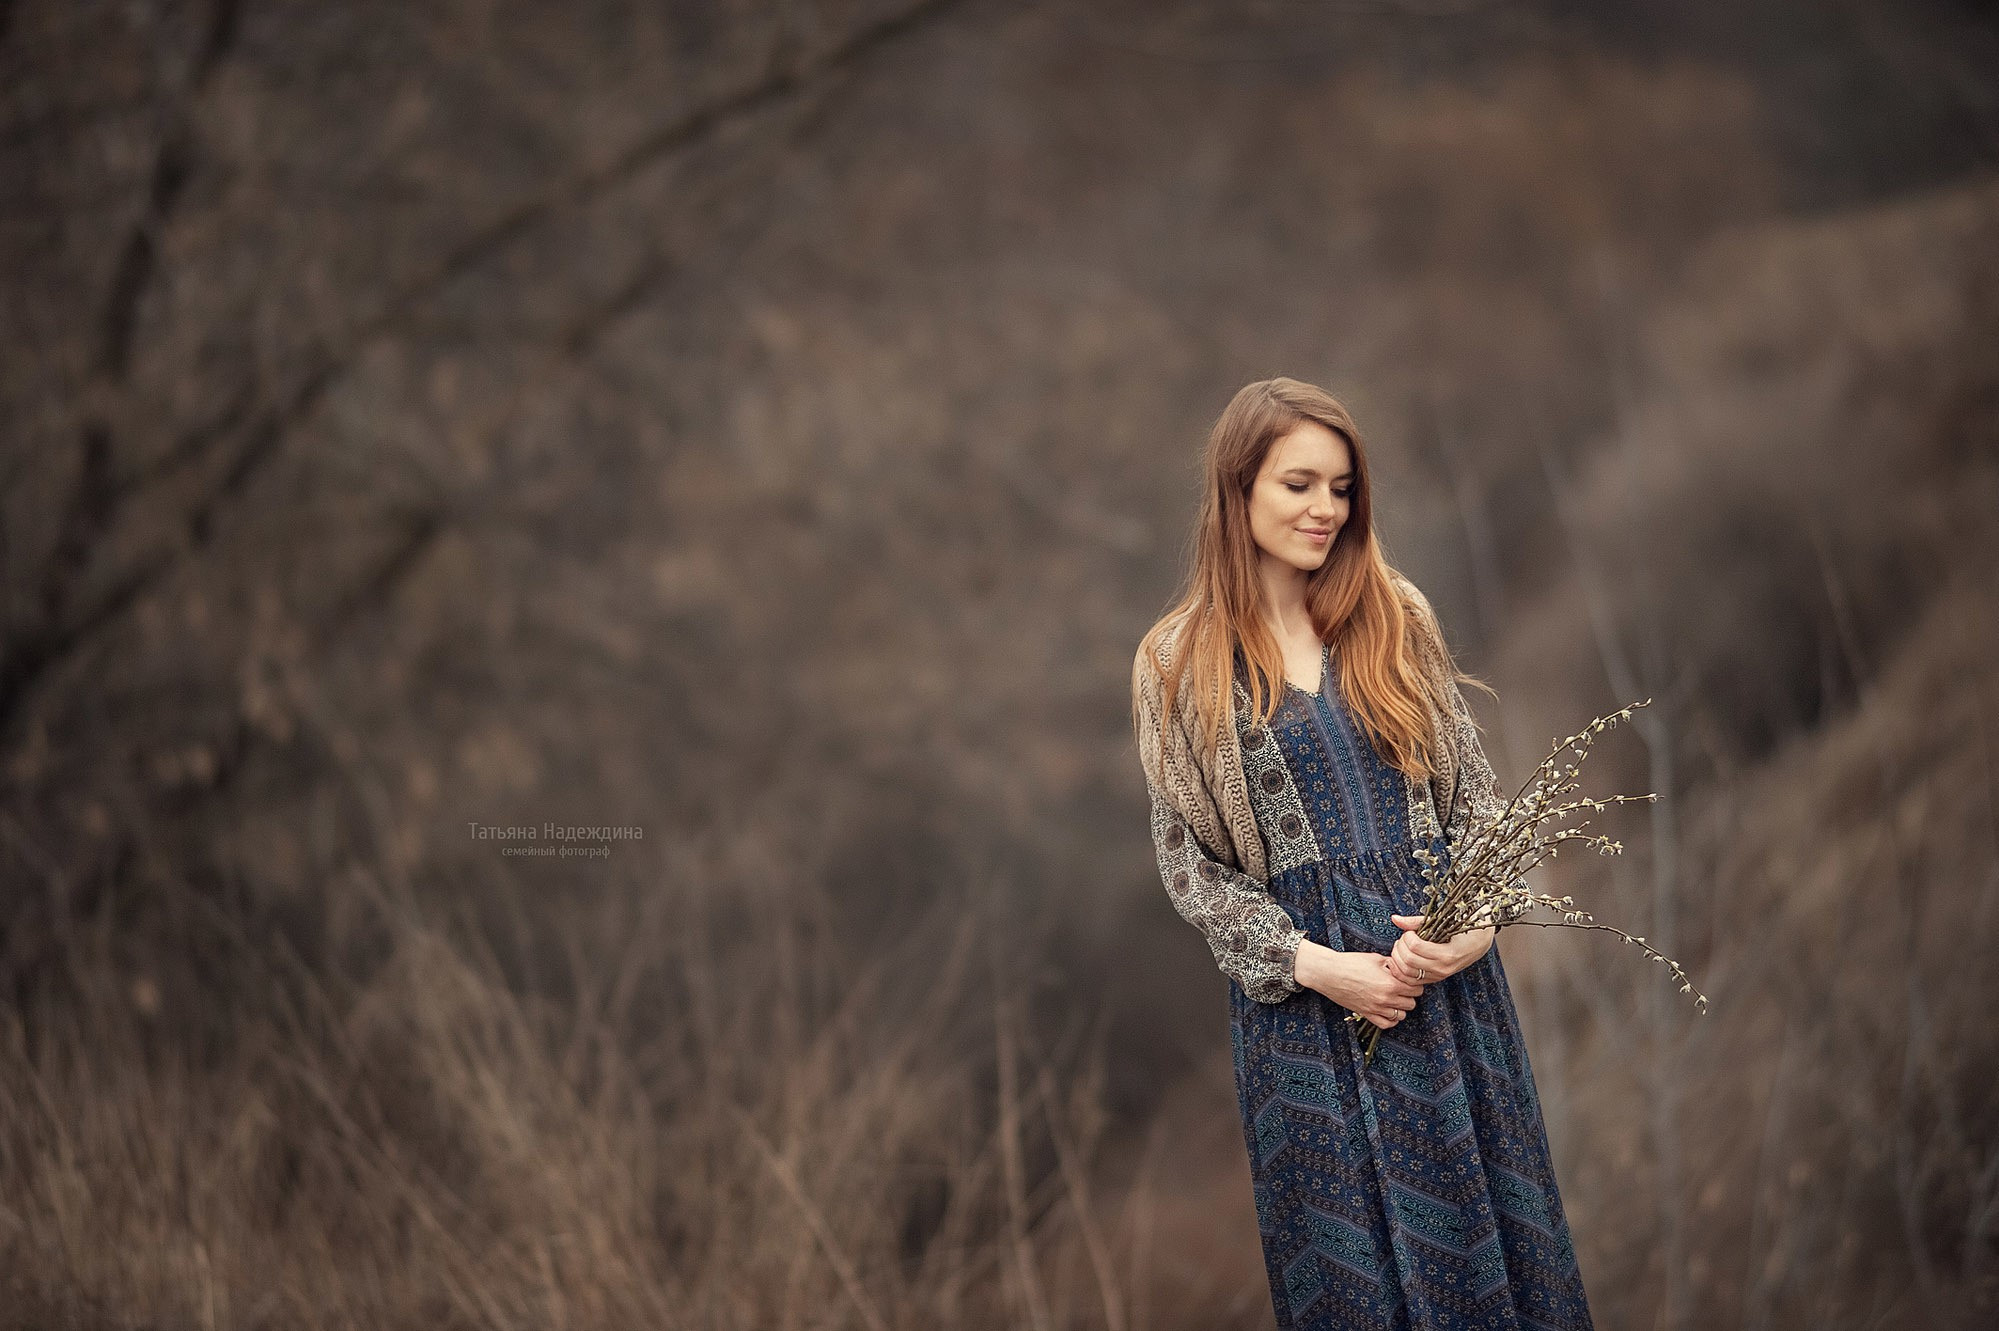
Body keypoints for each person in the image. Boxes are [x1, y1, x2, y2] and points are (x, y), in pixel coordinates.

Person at [1129, 377, 1594, 1330]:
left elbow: (1480, 809)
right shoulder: (1175, 661)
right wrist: (1314, 964)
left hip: (1447, 1000)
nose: (1324, 509)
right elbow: (1187, 865)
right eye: (1298, 484)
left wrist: (1470, 934)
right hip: (1303, 1020)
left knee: (1499, 1270)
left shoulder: (1397, 615)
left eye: (1340, 488)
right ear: (1237, 487)